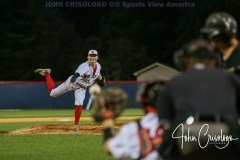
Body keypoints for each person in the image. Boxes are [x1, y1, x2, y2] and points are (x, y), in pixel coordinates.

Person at [156, 39, 240, 159]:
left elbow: (165, 121)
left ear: (185, 61)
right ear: (215, 60)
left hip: (188, 135)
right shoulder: (230, 79)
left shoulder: (174, 82)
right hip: (224, 134)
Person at [91, 82, 166, 160]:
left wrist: (107, 121)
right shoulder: (178, 121)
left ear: (143, 100)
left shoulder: (133, 128)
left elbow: (110, 147)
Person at [34, 49, 105, 131]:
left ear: (97, 57)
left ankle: (76, 125)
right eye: (91, 56)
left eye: (94, 55)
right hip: (74, 82)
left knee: (79, 104)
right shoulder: (84, 66)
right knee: (52, 94)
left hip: (82, 87)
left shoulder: (98, 66)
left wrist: (102, 80)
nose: (93, 57)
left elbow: (98, 73)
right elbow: (76, 75)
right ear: (88, 57)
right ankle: (47, 74)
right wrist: (71, 83)